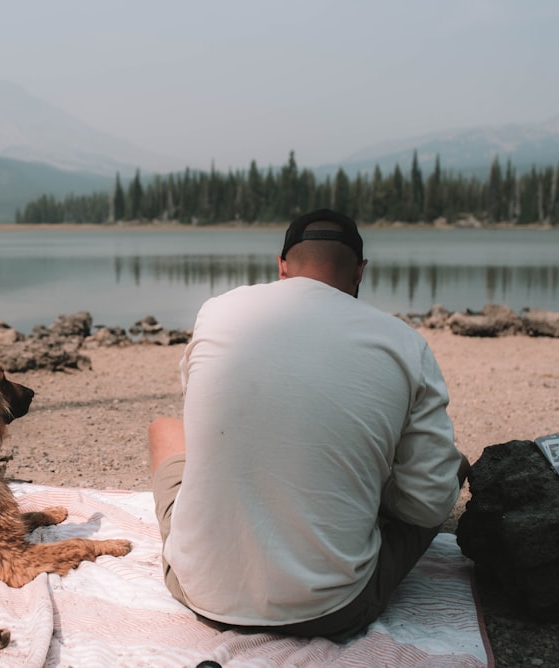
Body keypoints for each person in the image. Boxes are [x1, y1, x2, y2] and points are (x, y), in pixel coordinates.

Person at [148, 208, 470, 641]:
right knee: (448, 470)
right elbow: (428, 505)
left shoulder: (217, 311)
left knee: (165, 430)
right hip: (331, 608)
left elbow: (203, 413)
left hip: (199, 589)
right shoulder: (404, 343)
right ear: (360, 271)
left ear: (282, 266)